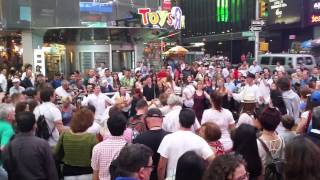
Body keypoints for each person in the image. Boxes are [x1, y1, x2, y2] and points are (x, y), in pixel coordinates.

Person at [157, 108, 214, 180]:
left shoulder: (168, 138)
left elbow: (161, 167)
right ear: (193, 122)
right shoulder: (199, 140)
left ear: (179, 121)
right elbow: (213, 160)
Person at [2, 112, 58, 180]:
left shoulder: (9, 146)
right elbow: (51, 170)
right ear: (34, 125)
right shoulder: (42, 145)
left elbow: (6, 169)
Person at [55, 107, 98, 179]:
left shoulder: (64, 134)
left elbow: (56, 153)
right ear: (90, 122)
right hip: (87, 172)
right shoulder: (91, 138)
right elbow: (96, 158)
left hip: (68, 172)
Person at [133, 108, 170, 180]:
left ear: (146, 120)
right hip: (167, 177)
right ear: (162, 120)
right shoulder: (171, 137)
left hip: (146, 177)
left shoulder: (139, 139)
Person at [91, 113, 128, 180]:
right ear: (125, 127)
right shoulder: (129, 149)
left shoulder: (97, 148)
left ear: (108, 127)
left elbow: (95, 174)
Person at [0, 104, 15, 179]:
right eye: (13, 112)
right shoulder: (8, 128)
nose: (15, 113)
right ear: (9, 116)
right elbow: (3, 147)